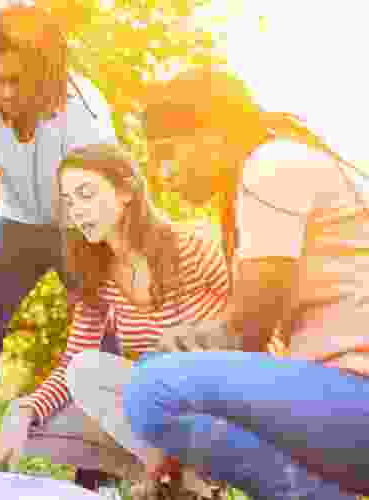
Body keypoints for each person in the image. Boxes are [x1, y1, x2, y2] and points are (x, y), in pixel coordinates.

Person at [113, 67, 367, 499]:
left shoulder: (272, 167)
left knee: (152, 386)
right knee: (161, 379)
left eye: (167, 152)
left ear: (214, 133)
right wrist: (177, 451)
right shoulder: (270, 171)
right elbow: (248, 344)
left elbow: (247, 327)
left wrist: (174, 347)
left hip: (355, 401)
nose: (159, 172)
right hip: (340, 402)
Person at [0, 5, 119, 486]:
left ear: (46, 74)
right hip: (16, 221)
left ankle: (96, 476)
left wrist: (87, 283)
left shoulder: (82, 112)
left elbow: (96, 205)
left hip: (81, 224)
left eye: (16, 81)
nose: (4, 94)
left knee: (104, 338)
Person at [0, 143, 229, 496]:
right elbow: (73, 362)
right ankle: (177, 483)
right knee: (37, 424)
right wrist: (25, 411)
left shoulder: (191, 245)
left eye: (86, 194)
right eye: (69, 201)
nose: (77, 210)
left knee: (92, 371)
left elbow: (255, 325)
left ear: (126, 191)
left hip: (218, 401)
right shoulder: (98, 276)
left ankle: (180, 474)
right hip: (168, 414)